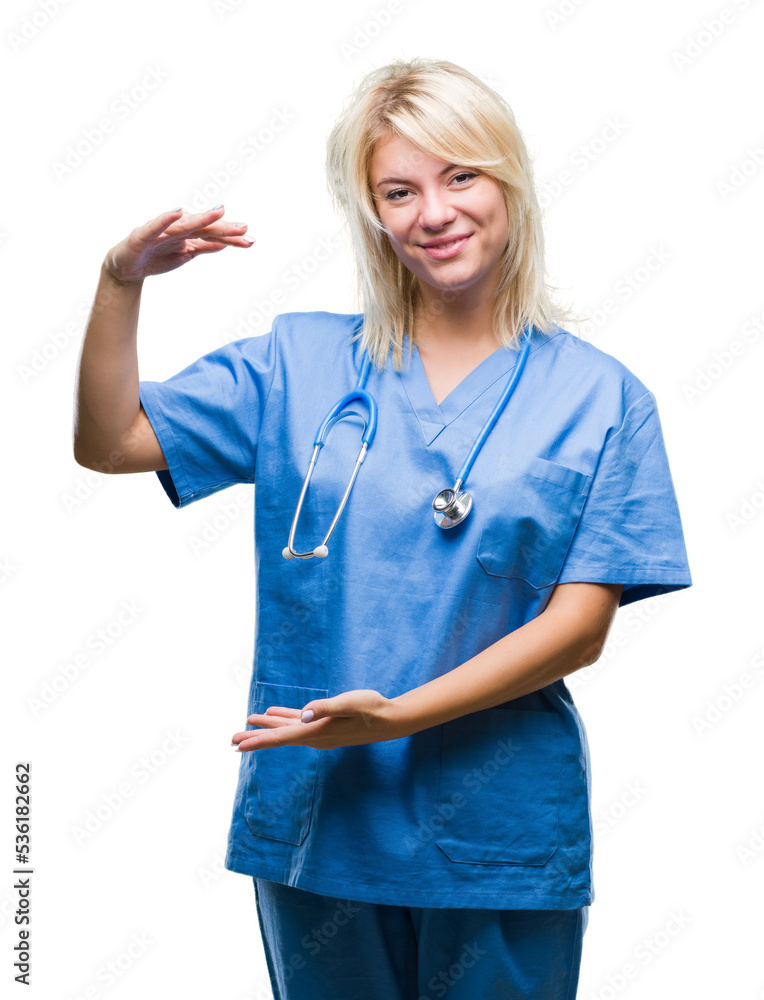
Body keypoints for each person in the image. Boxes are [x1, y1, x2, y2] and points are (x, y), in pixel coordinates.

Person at [73, 57, 692, 1000]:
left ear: (509, 180)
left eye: (461, 176)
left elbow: (580, 629)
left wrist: (396, 717)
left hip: (497, 833)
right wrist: (120, 283)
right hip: (324, 820)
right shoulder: (297, 364)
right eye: (398, 191)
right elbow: (111, 441)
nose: (433, 213)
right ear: (371, 214)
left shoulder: (602, 399)